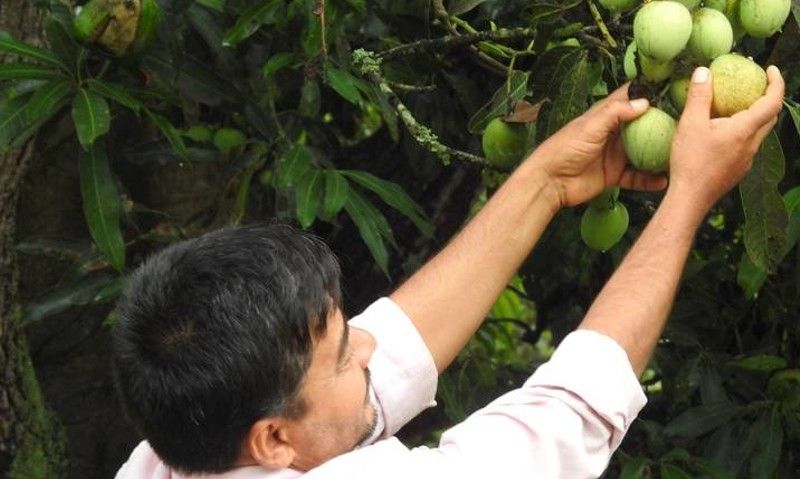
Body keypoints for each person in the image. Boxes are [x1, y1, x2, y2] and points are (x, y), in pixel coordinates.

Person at [113, 65, 785, 479]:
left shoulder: (176, 451)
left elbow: (398, 347)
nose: (369, 345)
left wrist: (546, 179)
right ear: (274, 439)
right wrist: (689, 195)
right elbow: (568, 416)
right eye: (345, 357)